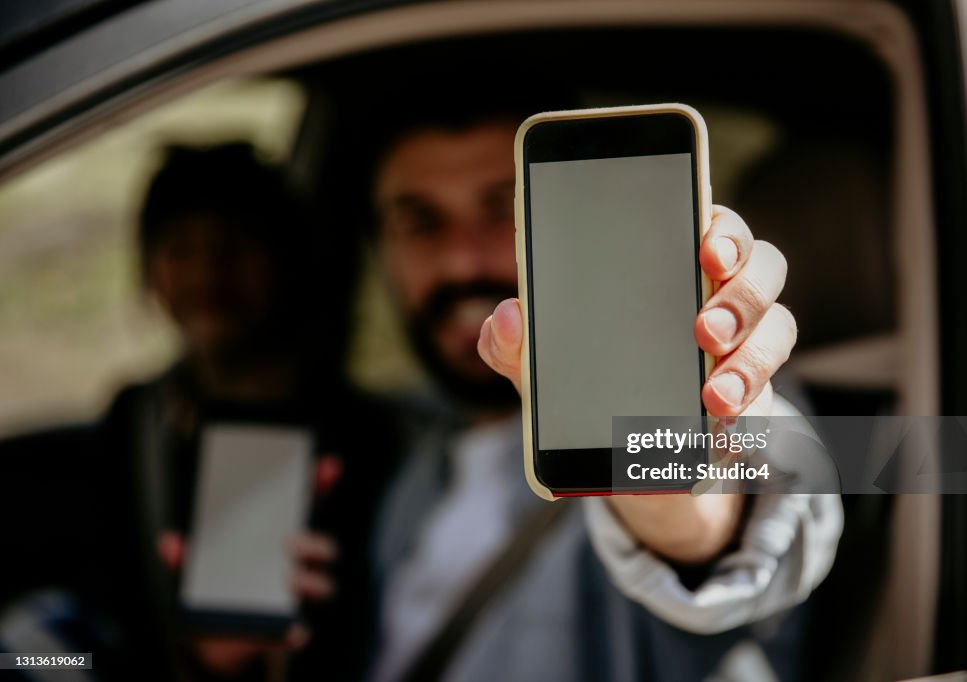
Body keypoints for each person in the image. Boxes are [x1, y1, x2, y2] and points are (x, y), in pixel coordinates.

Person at [335, 88, 845, 682]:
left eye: (503, 210)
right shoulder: (394, 443)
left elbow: (732, 514)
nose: (460, 263)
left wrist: (669, 478)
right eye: (420, 222)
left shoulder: (707, 395)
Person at [0, 144, 392, 682]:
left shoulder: (363, 434)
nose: (210, 271)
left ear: (285, 258)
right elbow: (113, 608)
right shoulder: (135, 419)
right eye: (181, 248)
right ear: (148, 267)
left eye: (237, 244)